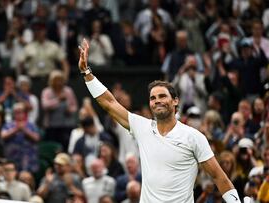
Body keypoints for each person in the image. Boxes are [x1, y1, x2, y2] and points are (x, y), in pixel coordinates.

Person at [78, 39, 243, 202]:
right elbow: (109, 103)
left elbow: (218, 176)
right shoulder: (141, 127)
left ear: (175, 101)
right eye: (152, 98)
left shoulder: (193, 137)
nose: (157, 100)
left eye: (162, 96)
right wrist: (87, 73)